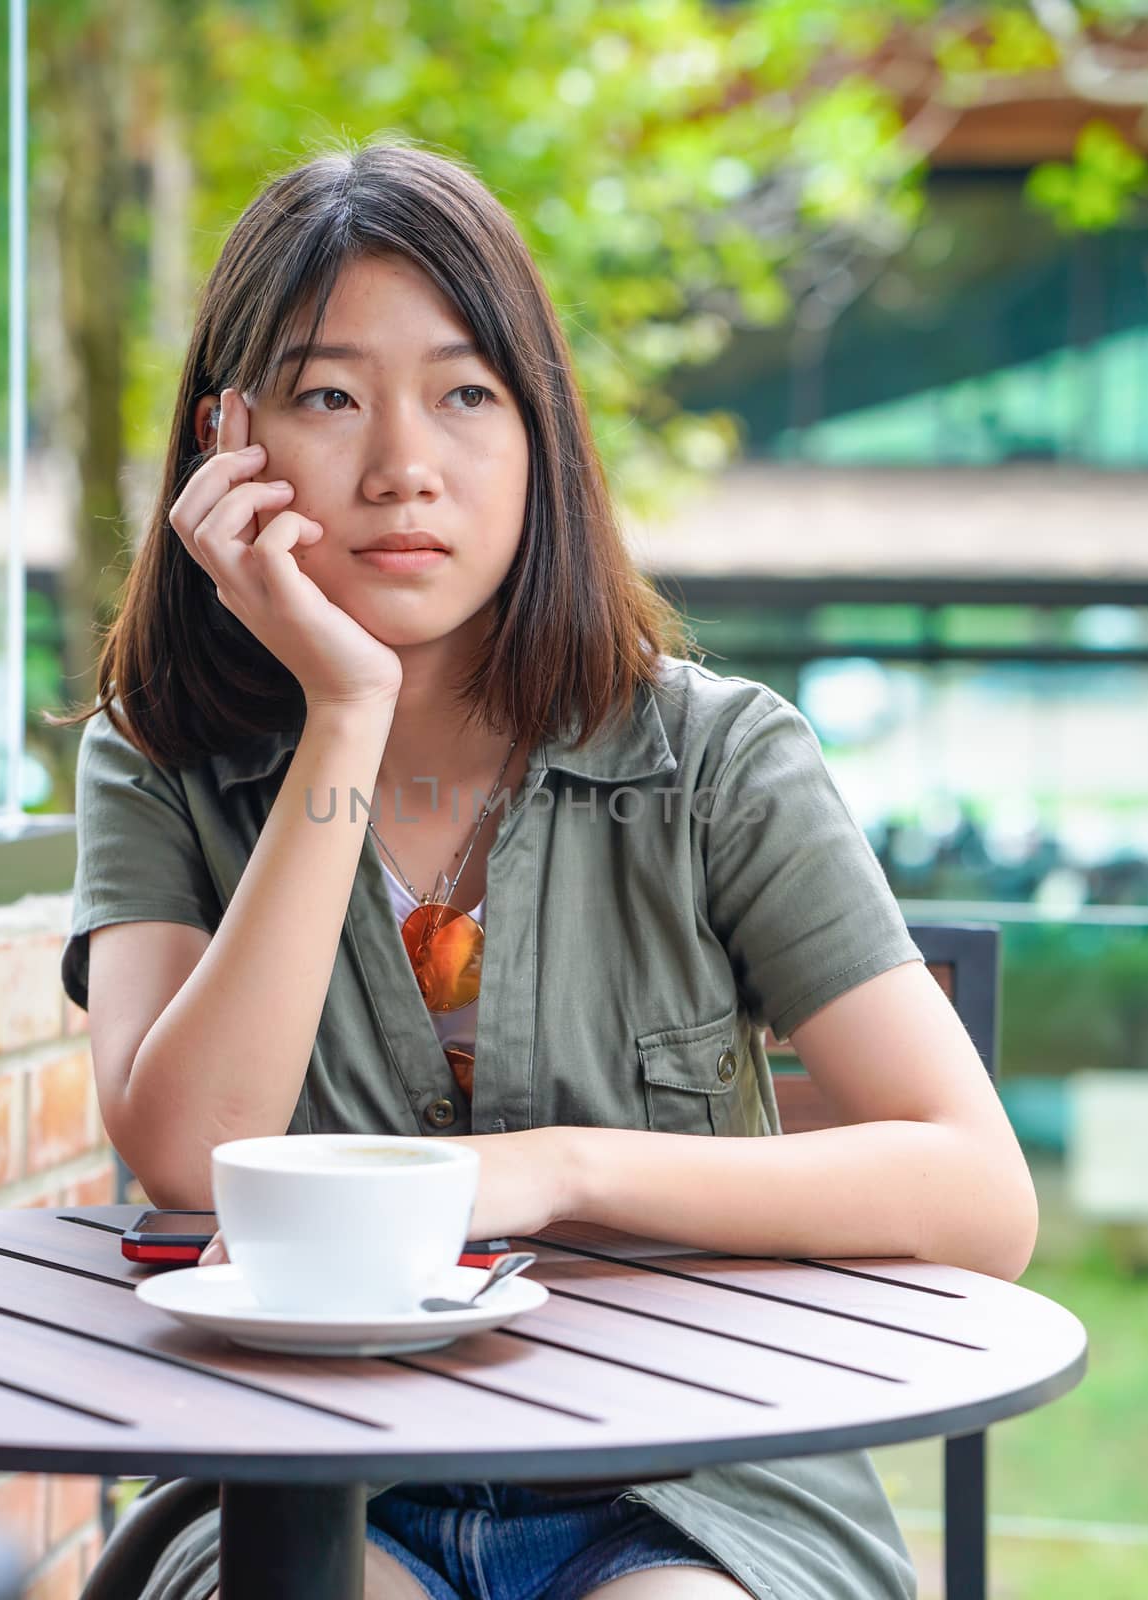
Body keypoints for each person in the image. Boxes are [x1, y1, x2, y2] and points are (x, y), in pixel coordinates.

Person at [54, 136, 1038, 1600]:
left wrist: (546, 1175)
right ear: (229, 442)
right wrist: (342, 713)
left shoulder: (715, 759)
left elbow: (977, 1194)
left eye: (466, 394)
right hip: (307, 1479)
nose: (402, 467)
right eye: (331, 397)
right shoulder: (159, 759)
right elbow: (188, 1155)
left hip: (696, 1482)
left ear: (539, 437)